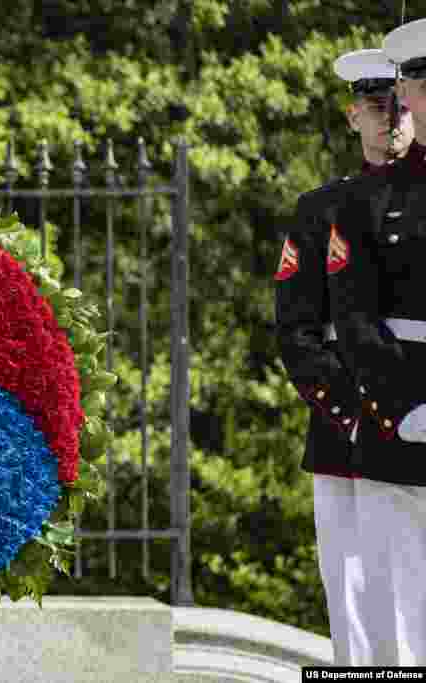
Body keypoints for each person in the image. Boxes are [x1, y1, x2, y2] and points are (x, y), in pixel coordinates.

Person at [276, 48, 412, 666]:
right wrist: (351, 409)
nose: (388, 118)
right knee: (356, 597)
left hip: (410, 398)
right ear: (353, 116)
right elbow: (300, 329)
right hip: (348, 420)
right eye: (374, 107)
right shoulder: (322, 208)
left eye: (396, 104)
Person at [316, 18, 426, 665]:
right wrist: (404, 404)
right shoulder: (364, 200)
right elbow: (350, 316)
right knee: (394, 625)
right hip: (398, 419)